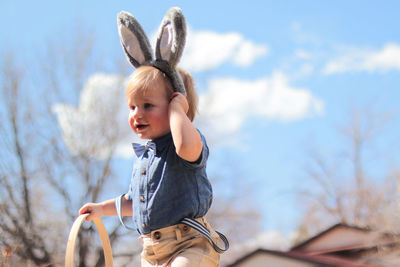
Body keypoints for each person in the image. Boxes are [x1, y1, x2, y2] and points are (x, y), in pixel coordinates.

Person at [79, 65, 224, 266]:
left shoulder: (184, 143)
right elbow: (135, 203)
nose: (137, 113)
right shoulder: (144, 158)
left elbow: (185, 146)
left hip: (189, 245)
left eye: (147, 105)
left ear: (179, 105)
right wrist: (101, 209)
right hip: (152, 253)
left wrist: (177, 110)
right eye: (132, 107)